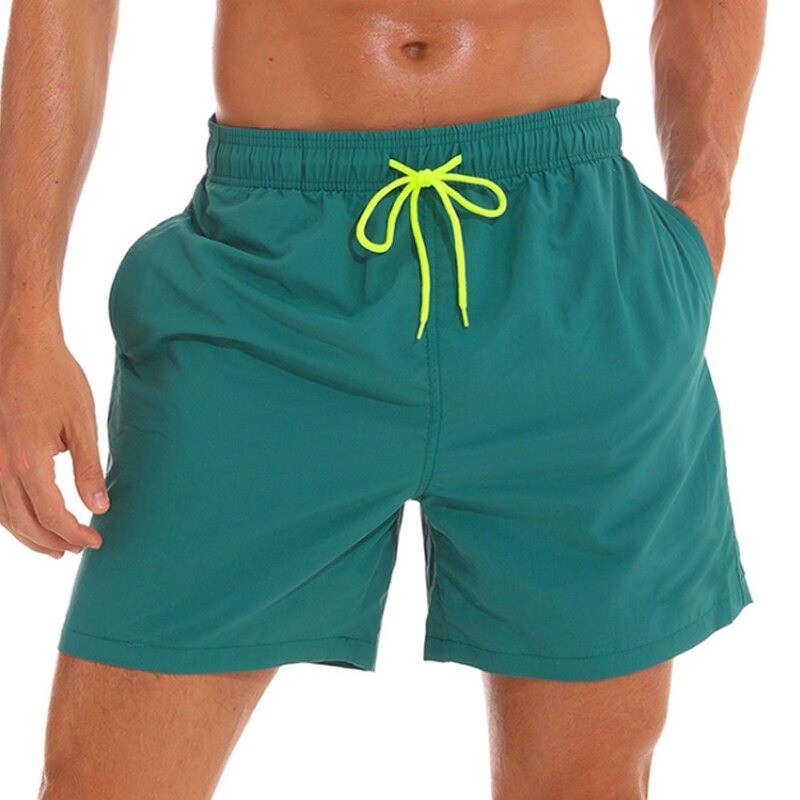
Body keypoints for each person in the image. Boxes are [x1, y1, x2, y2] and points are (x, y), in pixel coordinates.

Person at [0, 1, 766, 798]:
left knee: (588, 786)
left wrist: (704, 203)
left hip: (572, 268)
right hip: (268, 283)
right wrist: (23, 326)